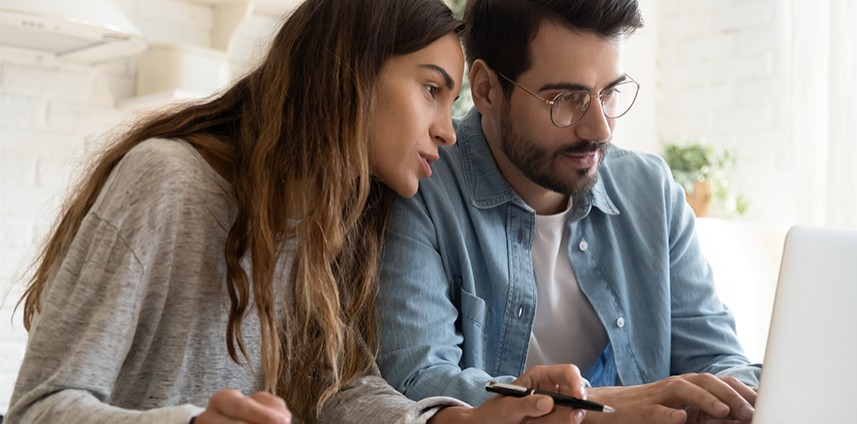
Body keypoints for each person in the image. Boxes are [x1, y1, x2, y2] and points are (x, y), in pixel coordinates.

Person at [5, 0, 589, 423]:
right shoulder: (167, 181)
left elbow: (338, 388)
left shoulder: (342, 223)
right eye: (431, 89)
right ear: (351, 73)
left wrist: (449, 420)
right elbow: (39, 407)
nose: (448, 130)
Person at [376, 0, 762, 423]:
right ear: (486, 89)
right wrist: (600, 410)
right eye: (565, 99)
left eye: (610, 92)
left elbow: (719, 359)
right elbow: (417, 382)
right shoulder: (418, 188)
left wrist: (738, 400)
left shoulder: (651, 191)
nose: (600, 129)